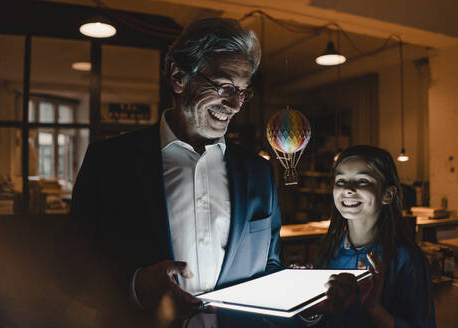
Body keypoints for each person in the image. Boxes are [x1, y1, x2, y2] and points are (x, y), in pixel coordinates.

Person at [70, 18, 282, 327]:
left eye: (242, 91)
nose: (236, 105)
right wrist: (136, 286)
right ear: (178, 76)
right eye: (224, 87)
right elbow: (68, 266)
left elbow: (270, 268)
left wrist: (314, 308)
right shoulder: (109, 162)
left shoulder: (260, 173)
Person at [310, 145, 436, 327]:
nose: (348, 189)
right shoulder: (328, 250)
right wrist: (310, 307)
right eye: (341, 180)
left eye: (362, 181)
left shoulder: (406, 259)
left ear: (388, 194)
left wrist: (374, 309)